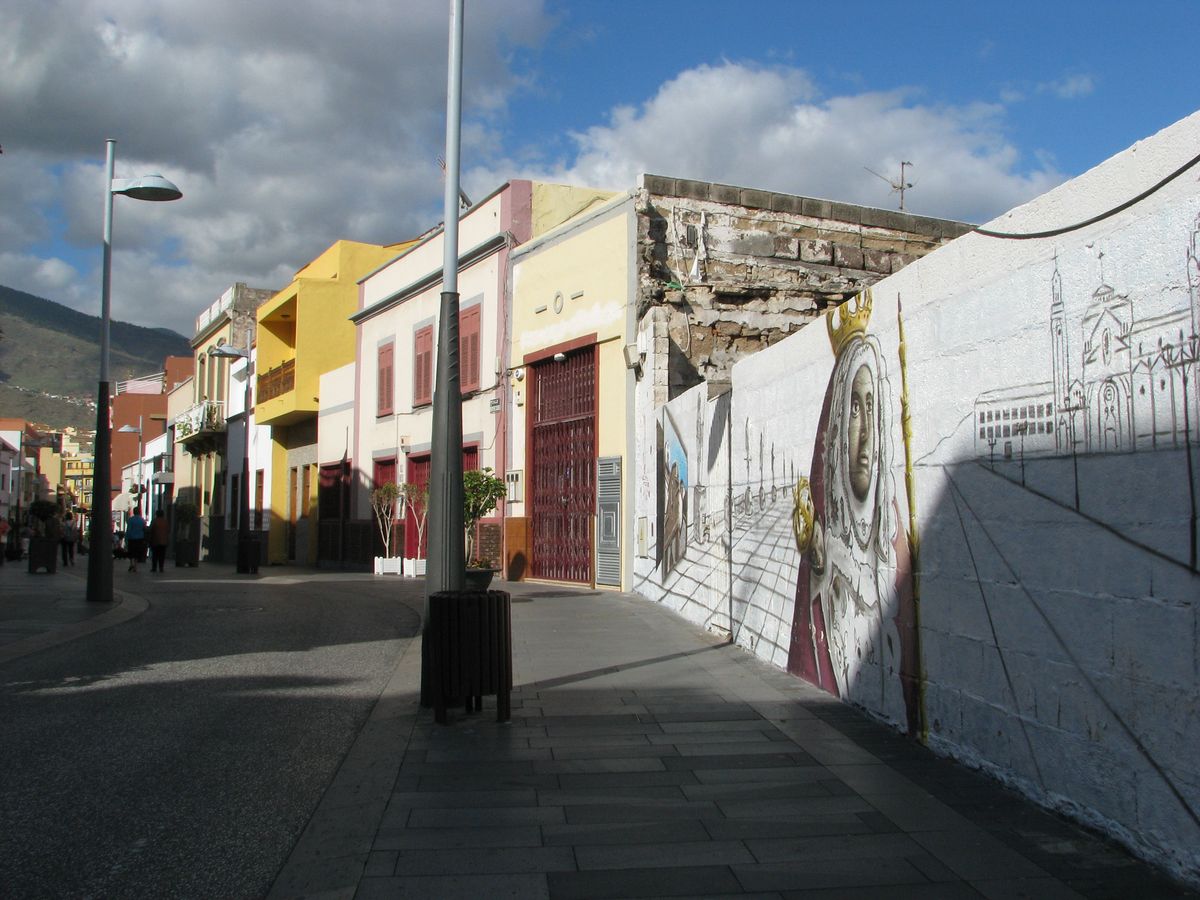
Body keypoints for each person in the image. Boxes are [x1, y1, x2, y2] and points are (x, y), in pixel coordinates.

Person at [788, 289, 920, 734]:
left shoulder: (894, 539)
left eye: (871, 407)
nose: (863, 432)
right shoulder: (824, 543)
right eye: (854, 409)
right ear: (838, 423)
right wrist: (819, 558)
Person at [125, 507, 147, 573]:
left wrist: (126, 538)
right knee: (137, 552)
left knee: (131, 551)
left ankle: (131, 564)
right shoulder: (142, 520)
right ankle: (135, 566)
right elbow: (144, 529)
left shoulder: (130, 520)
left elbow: (128, 530)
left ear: (134, 512)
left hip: (131, 538)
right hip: (140, 538)